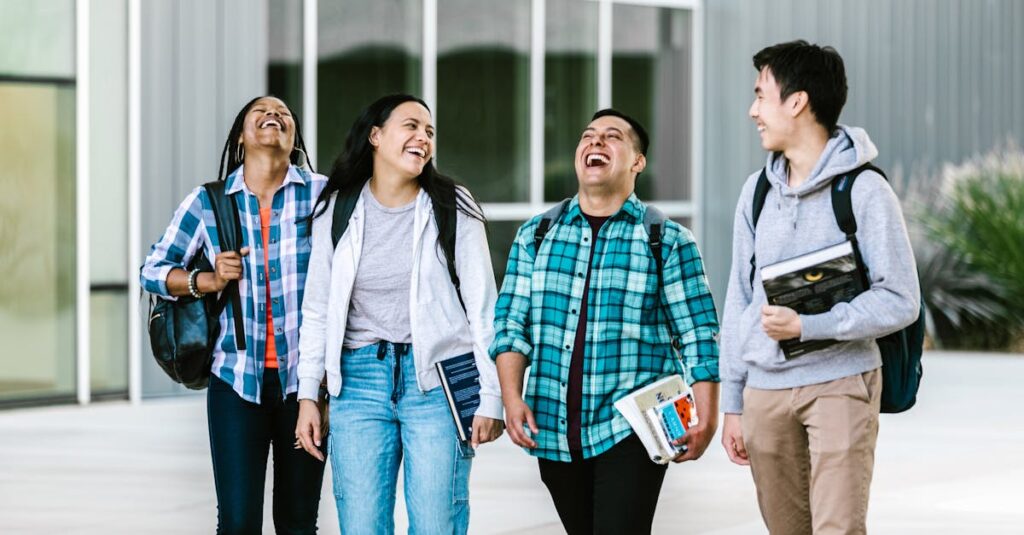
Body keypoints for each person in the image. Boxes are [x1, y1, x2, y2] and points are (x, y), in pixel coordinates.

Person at [719, 40, 920, 534]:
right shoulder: (756, 190)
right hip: (765, 391)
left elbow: (901, 298)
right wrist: (733, 402)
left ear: (797, 101)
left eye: (761, 96)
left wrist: (810, 325)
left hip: (841, 383)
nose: (753, 111)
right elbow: (738, 297)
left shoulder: (865, 190)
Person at [490, 109, 720, 535]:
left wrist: (707, 416)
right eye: (587, 136)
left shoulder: (667, 241)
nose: (595, 143)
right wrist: (510, 396)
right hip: (554, 430)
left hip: (632, 428)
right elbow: (510, 324)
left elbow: (698, 334)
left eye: (611, 137)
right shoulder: (536, 235)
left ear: (637, 161)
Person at [293, 94, 504, 535]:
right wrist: (309, 393)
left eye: (429, 132)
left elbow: (484, 308)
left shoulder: (452, 204)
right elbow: (316, 309)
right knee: (362, 525)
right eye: (410, 126)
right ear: (375, 136)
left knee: (436, 524)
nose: (422, 138)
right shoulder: (338, 208)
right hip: (358, 382)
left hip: (438, 384)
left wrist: (492, 397)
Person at [141, 96, 327, 534]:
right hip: (235, 382)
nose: (274, 116)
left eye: (283, 114)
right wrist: (205, 280)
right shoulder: (207, 202)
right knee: (239, 523)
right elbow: (152, 270)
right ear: (241, 138)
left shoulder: (322, 195)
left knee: (299, 523)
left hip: (305, 386)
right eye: (260, 113)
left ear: (294, 138)